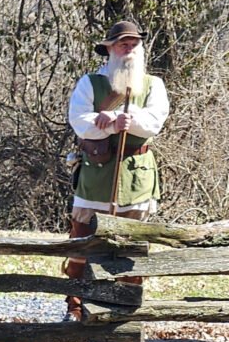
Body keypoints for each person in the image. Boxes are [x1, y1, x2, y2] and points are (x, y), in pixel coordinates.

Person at [63, 20, 169, 321]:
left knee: (131, 251)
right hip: (96, 176)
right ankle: (77, 306)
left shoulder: (153, 85)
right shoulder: (90, 83)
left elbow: (154, 122)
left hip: (136, 177)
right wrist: (109, 122)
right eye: (123, 43)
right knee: (82, 244)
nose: (129, 48)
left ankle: (123, 312)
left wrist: (128, 116)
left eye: (134, 43)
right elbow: (80, 121)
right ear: (109, 48)